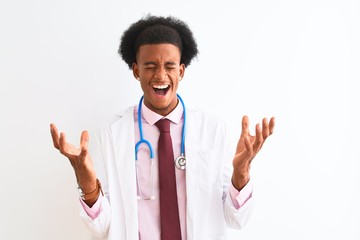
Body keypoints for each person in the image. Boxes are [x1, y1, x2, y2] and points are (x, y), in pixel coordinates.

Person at [50, 14, 275, 240]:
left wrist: (242, 171)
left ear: (181, 71)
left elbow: (237, 218)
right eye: (150, 66)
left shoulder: (213, 130)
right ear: (136, 71)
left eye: (169, 66)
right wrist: (87, 184)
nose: (160, 75)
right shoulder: (112, 133)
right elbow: (101, 226)